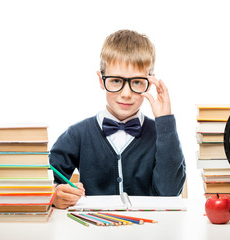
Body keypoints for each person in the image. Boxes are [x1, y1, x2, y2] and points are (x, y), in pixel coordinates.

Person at [49, 29, 186, 209]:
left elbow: (170, 193)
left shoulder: (161, 133)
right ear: (101, 80)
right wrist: (54, 194)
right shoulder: (78, 134)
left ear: (150, 81)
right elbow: (43, 177)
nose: (126, 94)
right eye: (115, 81)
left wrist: (165, 121)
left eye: (137, 82)